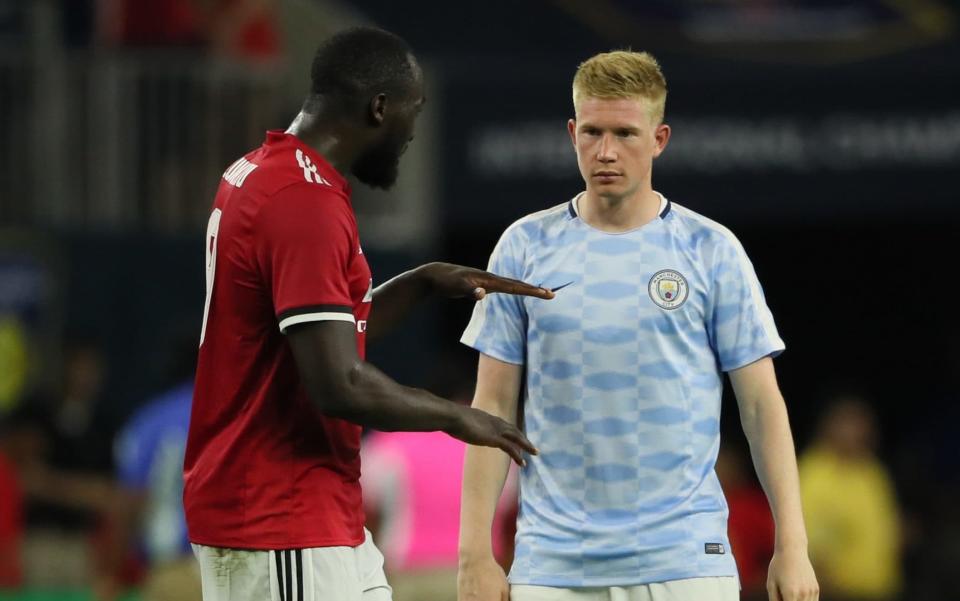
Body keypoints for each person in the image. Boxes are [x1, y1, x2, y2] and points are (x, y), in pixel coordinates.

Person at [183, 26, 552, 601]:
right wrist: (460, 420)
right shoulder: (301, 203)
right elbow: (339, 383)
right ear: (380, 107)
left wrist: (422, 283)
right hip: (277, 519)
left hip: (316, 515)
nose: (412, 130)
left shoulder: (265, 171)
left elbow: (321, 335)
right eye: (414, 109)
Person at [457, 50, 819, 601]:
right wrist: (473, 553)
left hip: (685, 561)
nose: (606, 151)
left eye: (626, 133)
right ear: (572, 132)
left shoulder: (711, 250)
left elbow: (761, 405)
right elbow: (492, 405)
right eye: (594, 132)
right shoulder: (523, 247)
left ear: (659, 138)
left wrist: (792, 547)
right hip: (553, 563)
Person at [799, 396, 901, 601]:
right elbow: (808, 539)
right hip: (836, 593)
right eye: (850, 424)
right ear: (829, 426)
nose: (859, 432)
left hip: (880, 591)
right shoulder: (814, 472)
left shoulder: (872, 471)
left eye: (864, 424)